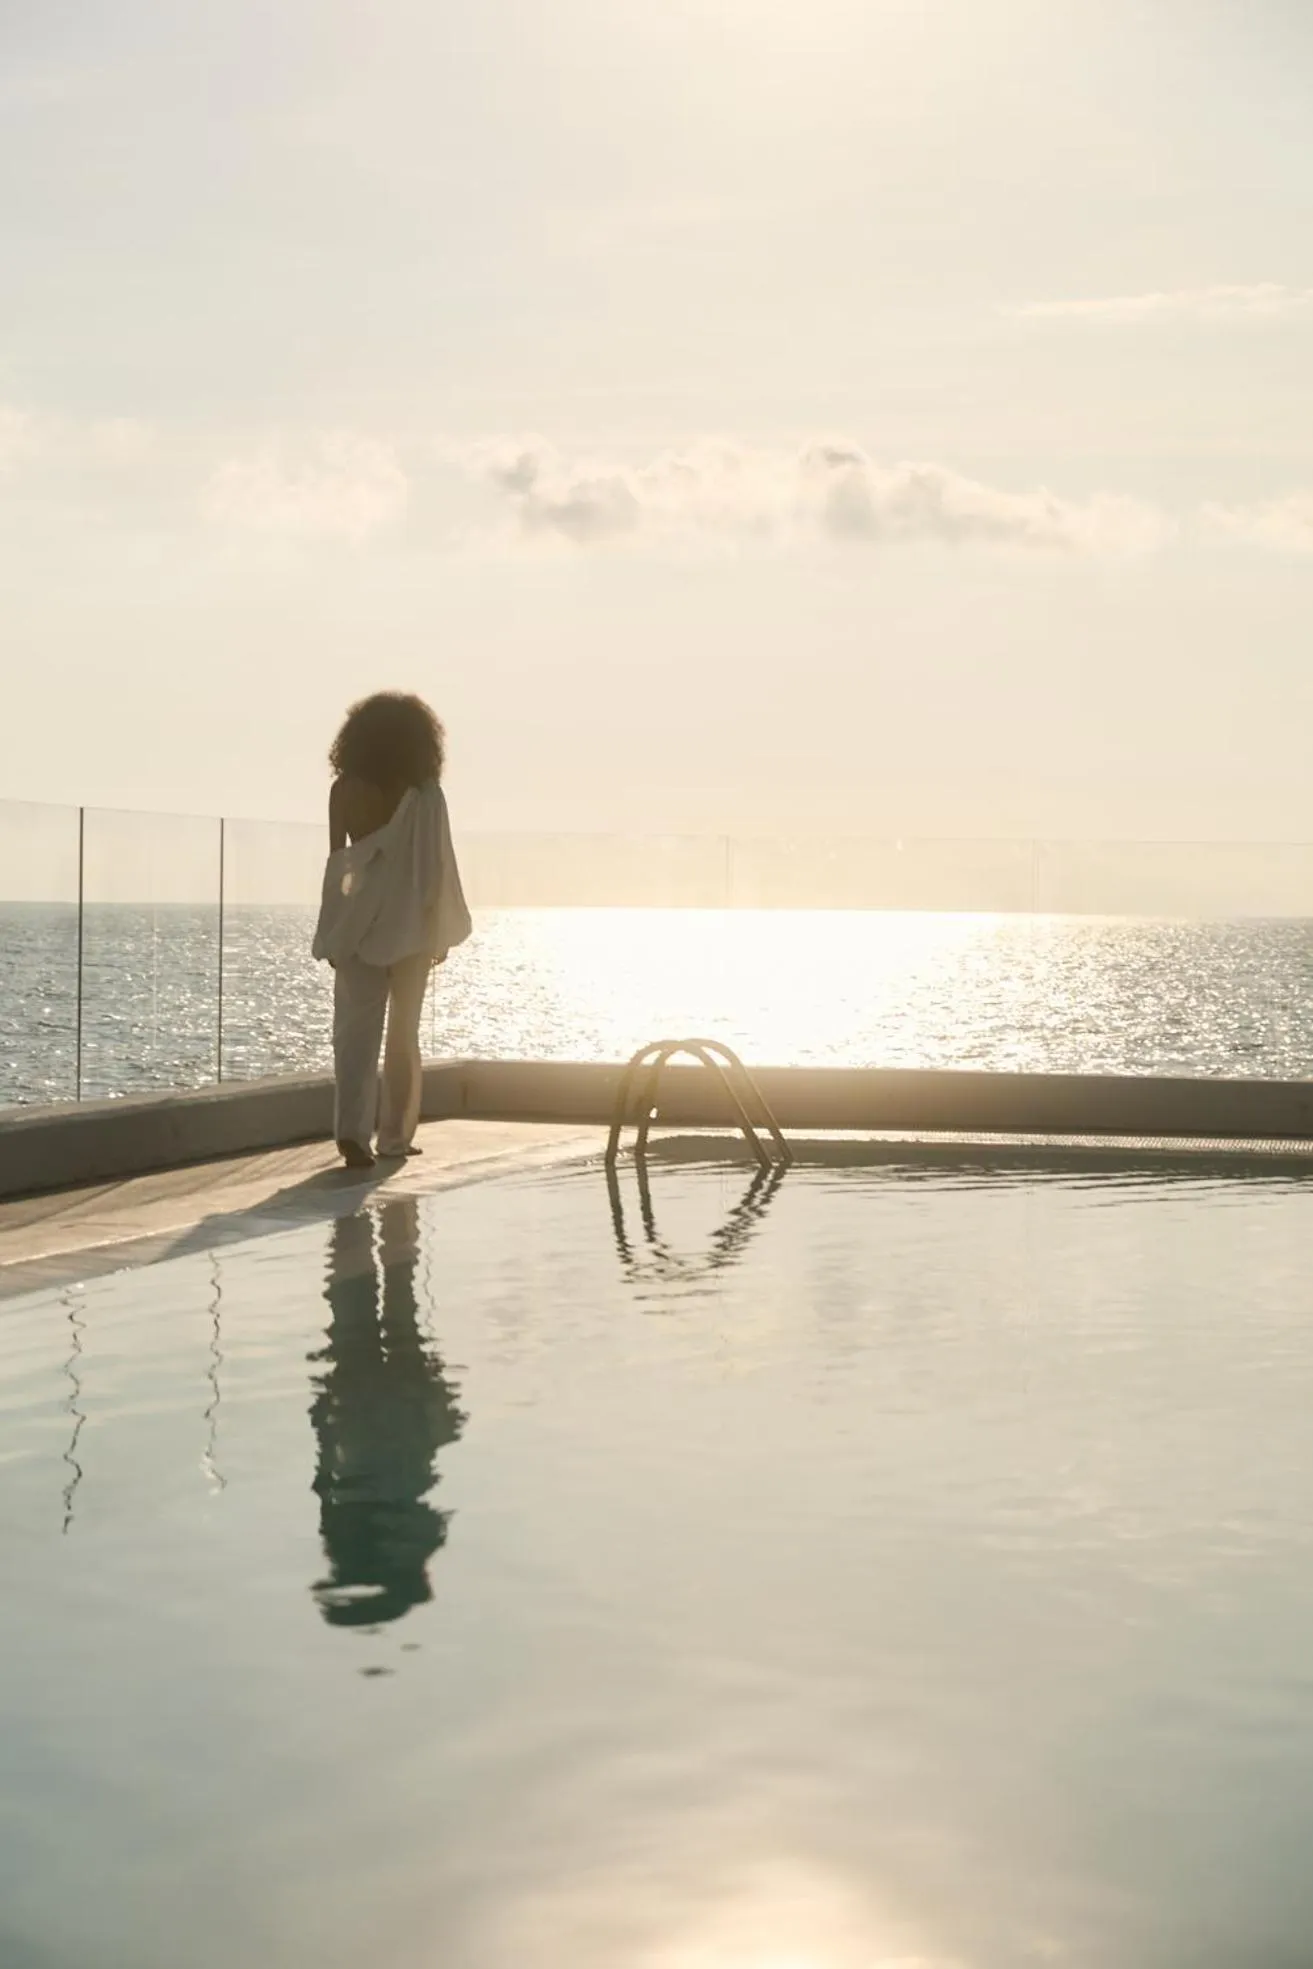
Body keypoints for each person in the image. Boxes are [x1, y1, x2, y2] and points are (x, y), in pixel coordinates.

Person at [312, 691, 471, 1169]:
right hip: (411, 928)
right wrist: (438, 930)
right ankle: (396, 1138)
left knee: (354, 1034)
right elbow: (436, 868)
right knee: (403, 1035)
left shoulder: (345, 790)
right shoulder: (424, 797)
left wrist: (336, 931)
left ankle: (351, 1134)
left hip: (360, 924)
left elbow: (339, 864)